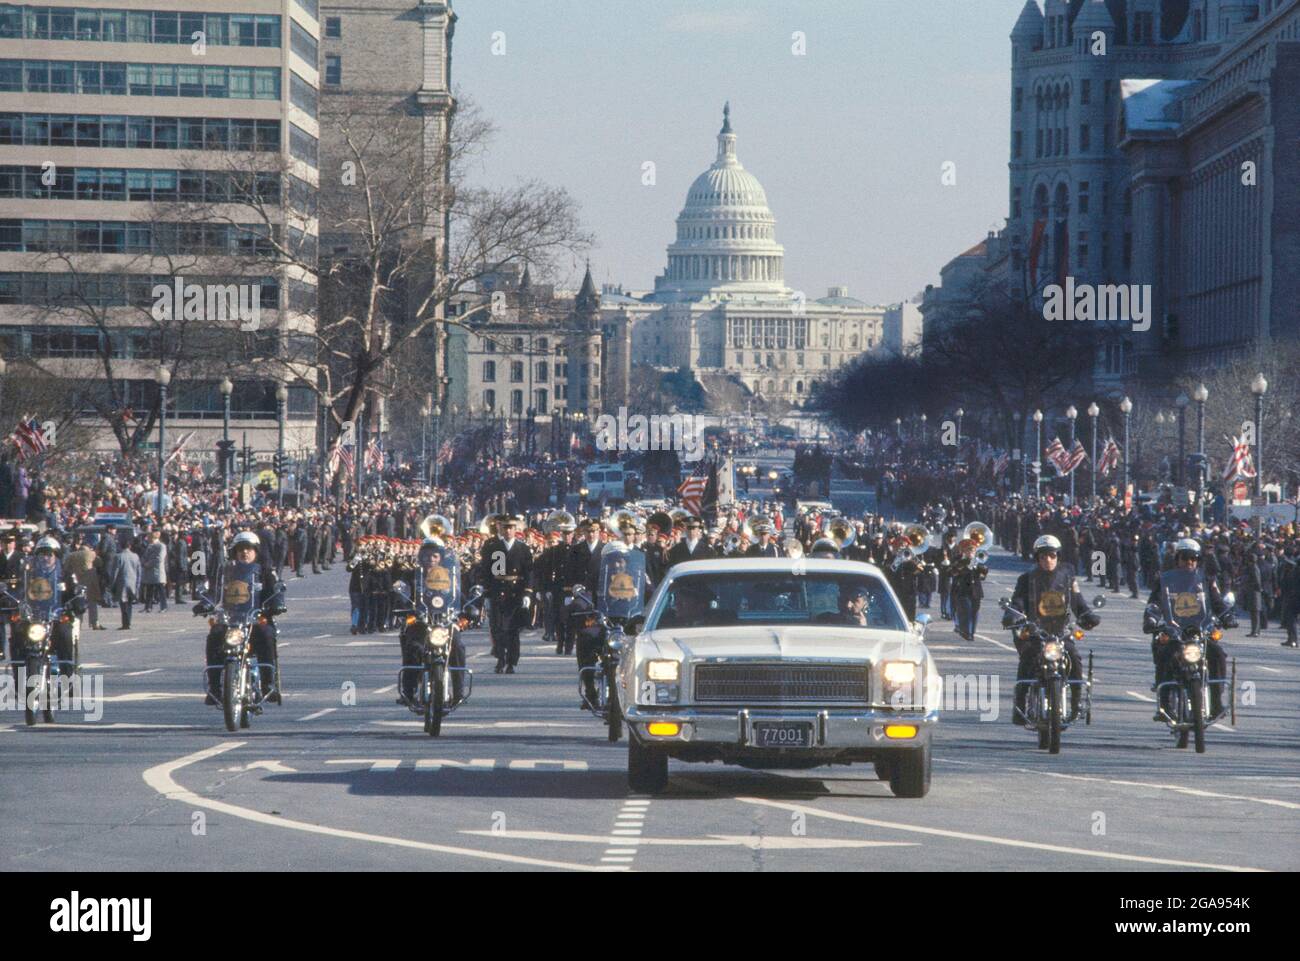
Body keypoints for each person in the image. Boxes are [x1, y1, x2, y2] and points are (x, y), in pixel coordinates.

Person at [1002, 534, 1100, 725]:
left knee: (1074, 657)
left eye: (1052, 555)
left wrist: (1088, 615)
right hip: (1036, 631)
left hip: (1060, 631)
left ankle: (1076, 701)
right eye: (1043, 556)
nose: (1048, 560)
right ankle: (1020, 705)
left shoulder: (1067, 575)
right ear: (1037, 558)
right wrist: (1012, 614)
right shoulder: (1026, 579)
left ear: (1058, 556)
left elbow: (1077, 601)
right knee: (1028, 658)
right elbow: (1017, 602)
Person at [1142, 538, 1235, 718]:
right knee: (1164, 655)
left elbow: (1217, 602)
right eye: (1185, 557)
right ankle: (1165, 704)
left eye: (1194, 558)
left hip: (1201, 631)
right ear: (1177, 559)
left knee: (1217, 655)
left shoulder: (1206, 581)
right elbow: (1155, 603)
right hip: (1176, 632)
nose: (1189, 562)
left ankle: (1216, 702)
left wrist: (1228, 615)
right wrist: (1151, 619)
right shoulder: (1165, 581)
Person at [198, 531, 284, 704]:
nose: (245, 552)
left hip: (254, 619)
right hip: (231, 621)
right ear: (235, 552)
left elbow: (276, 589)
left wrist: (276, 604)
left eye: (249, 549)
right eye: (241, 549)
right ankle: (214, 688)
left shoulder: (266, 572)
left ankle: (268, 683)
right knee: (214, 634)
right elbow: (214, 591)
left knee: (267, 634)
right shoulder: (225, 572)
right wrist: (206, 603)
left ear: (256, 551)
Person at [479, 515, 533, 674]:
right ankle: (500, 658)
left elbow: (529, 573)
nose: (508, 531)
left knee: (513, 630)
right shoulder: (493, 547)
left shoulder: (523, 549)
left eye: (511, 528)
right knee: (498, 629)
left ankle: (511, 661)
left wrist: (527, 594)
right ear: (500, 529)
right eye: (505, 528)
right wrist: (487, 594)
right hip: (497, 592)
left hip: (515, 593)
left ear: (516, 530)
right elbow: (487, 572)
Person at [110, 539, 142, 630]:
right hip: (133, 582)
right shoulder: (135, 556)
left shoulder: (118, 556)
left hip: (122, 582)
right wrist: (138, 583)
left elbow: (115, 572)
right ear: (130, 546)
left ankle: (125, 623)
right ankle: (129, 621)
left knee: (123, 603)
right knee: (130, 603)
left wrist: (112, 584)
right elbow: (139, 571)